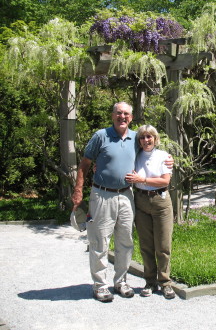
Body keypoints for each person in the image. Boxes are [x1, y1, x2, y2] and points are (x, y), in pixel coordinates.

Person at [71, 102, 172, 303]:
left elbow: (151, 152)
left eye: (126, 114)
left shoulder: (136, 137)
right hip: (102, 194)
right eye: (119, 113)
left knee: (125, 240)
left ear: (131, 117)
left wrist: (169, 160)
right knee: (100, 241)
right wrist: (78, 191)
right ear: (113, 116)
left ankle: (121, 281)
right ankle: (100, 285)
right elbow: (85, 164)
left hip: (127, 195)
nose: (122, 117)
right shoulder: (101, 136)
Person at [125, 125, 176, 299]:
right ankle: (150, 282)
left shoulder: (163, 156)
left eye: (149, 137)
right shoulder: (135, 156)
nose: (146, 140)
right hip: (140, 201)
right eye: (142, 137)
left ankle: (165, 282)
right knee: (146, 246)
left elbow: (165, 181)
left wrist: (142, 179)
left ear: (155, 138)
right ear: (138, 140)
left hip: (160, 202)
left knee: (163, 246)